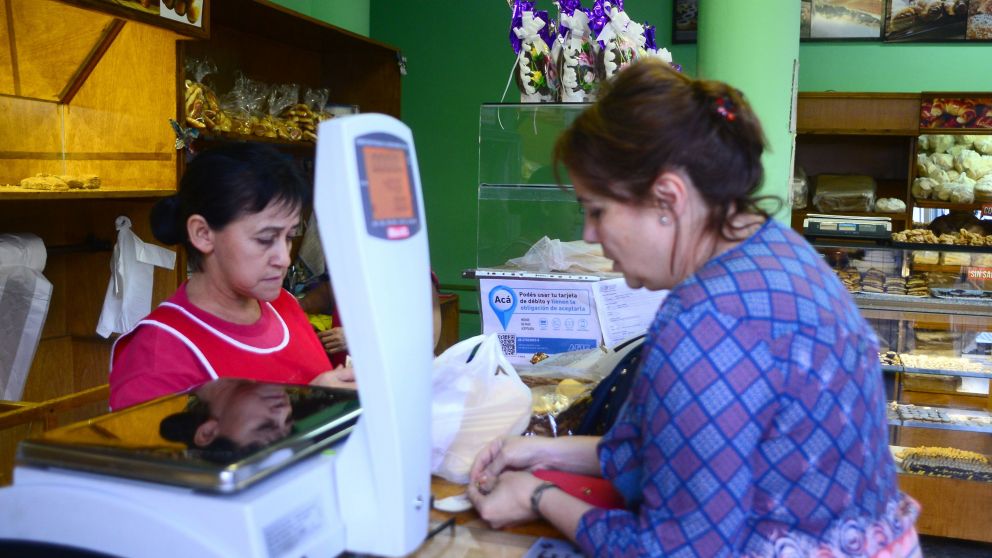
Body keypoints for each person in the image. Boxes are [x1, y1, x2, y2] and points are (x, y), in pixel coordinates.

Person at [467, 59, 921, 557]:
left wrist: (538, 495)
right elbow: (676, 450)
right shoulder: (778, 250)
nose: (589, 235)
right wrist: (537, 449)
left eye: (596, 211)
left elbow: (671, 551)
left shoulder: (707, 326)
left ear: (667, 198)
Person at [109, 144, 351, 411]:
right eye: (265, 239)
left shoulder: (284, 305)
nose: (283, 258)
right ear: (202, 233)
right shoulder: (158, 355)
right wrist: (312, 404)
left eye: (289, 237)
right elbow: (155, 454)